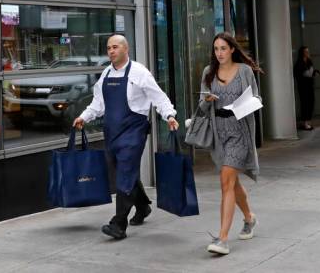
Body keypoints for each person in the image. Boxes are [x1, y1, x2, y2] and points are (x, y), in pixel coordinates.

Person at [73, 34, 179, 240]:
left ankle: (118, 224)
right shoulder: (105, 74)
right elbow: (98, 104)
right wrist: (84, 117)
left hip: (134, 131)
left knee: (125, 172)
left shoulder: (140, 73)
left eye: (114, 47)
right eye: (108, 48)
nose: (111, 51)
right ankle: (142, 206)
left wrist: (169, 115)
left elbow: (158, 96)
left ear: (125, 49)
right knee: (124, 172)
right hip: (112, 132)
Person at [198, 32, 262, 256]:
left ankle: (223, 239)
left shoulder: (244, 71)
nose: (219, 53)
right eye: (216, 49)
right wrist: (207, 101)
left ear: (232, 49)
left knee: (226, 181)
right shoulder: (209, 72)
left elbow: (257, 98)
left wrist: (243, 105)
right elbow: (201, 106)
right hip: (219, 134)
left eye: (223, 48)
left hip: (239, 132)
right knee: (232, 183)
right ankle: (249, 218)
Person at [293, 46, 320, 131]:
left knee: (311, 102)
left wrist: (315, 72)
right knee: (304, 103)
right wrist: (307, 74)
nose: (307, 53)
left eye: (308, 51)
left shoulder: (309, 61)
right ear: (302, 53)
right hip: (303, 86)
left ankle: (308, 121)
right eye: (305, 51)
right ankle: (305, 122)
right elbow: (298, 74)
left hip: (309, 85)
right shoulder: (299, 63)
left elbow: (311, 72)